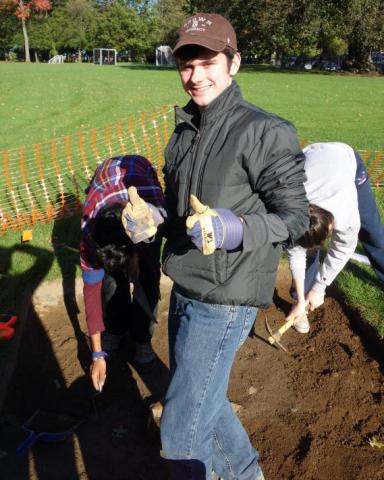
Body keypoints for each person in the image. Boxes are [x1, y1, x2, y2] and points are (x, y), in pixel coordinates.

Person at [124, 12, 309, 479]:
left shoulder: (264, 131)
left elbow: (295, 219)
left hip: (224, 300)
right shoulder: (184, 132)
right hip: (185, 286)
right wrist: (153, 220)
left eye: (207, 62)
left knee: (181, 436)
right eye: (187, 64)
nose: (195, 75)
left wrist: (234, 228)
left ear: (234, 63)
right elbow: (182, 216)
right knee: (205, 402)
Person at [80, 154, 165, 392]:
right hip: (106, 193)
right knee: (110, 283)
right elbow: (91, 292)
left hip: (141, 212)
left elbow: (159, 230)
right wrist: (97, 354)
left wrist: (139, 260)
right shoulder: (90, 233)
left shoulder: (152, 208)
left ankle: (142, 339)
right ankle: (116, 329)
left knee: (148, 277)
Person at [287, 141, 384, 334]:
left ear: (332, 227)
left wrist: (320, 288)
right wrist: (301, 299)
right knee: (307, 252)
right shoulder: (292, 208)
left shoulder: (346, 217)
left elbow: (342, 250)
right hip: (312, 160)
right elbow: (295, 252)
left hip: (346, 160)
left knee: (373, 233)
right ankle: (302, 305)